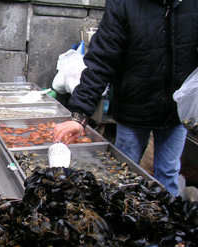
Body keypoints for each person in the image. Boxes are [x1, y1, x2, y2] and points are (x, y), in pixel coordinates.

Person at [52, 0, 196, 196]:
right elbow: (101, 61)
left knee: (168, 175)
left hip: (176, 112)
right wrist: (80, 116)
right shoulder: (124, 4)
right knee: (121, 175)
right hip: (133, 109)